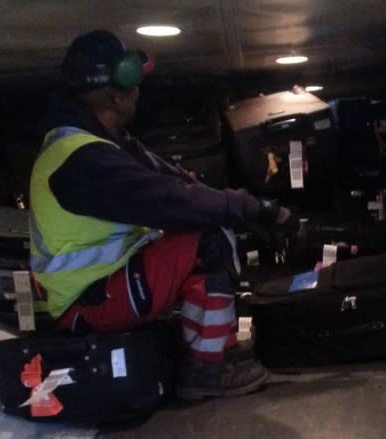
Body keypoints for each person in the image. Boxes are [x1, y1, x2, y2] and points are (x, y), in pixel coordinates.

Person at [29, 29, 293, 399]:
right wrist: (249, 208)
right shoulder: (82, 160)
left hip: (109, 285)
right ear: (113, 91)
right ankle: (204, 370)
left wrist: (253, 210)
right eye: (133, 81)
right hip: (88, 304)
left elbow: (177, 182)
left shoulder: (105, 143)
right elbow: (172, 201)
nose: (139, 91)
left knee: (209, 220)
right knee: (207, 237)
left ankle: (216, 347)